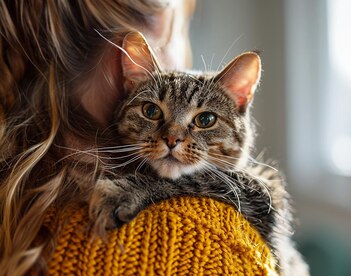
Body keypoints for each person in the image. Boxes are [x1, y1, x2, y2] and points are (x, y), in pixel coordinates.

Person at [0, 1, 276, 274]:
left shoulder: (13, 199)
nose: (172, 137)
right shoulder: (214, 243)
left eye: (204, 120)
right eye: (152, 111)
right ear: (120, 62)